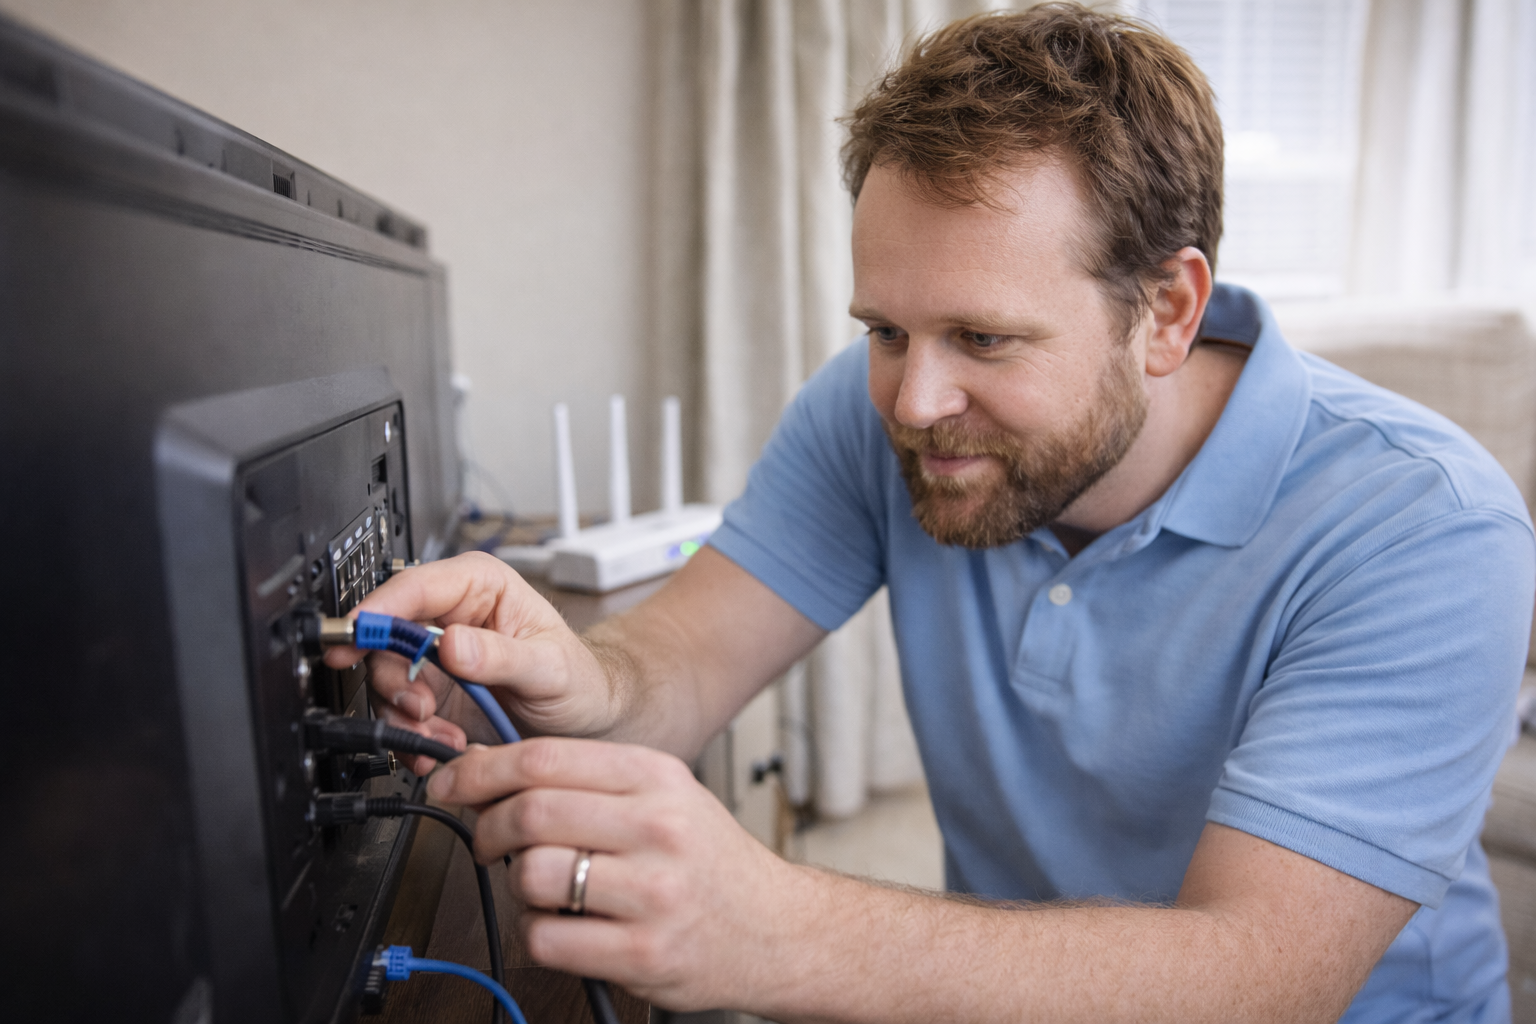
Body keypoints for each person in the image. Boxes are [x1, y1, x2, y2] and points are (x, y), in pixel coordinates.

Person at [326, 5, 1534, 1020]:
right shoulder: (881, 416)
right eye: (885, 329)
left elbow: (1257, 978)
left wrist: (782, 925)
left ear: (1166, 312)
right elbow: (677, 661)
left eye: (985, 337)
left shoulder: (1424, 526)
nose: (914, 398)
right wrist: (585, 684)